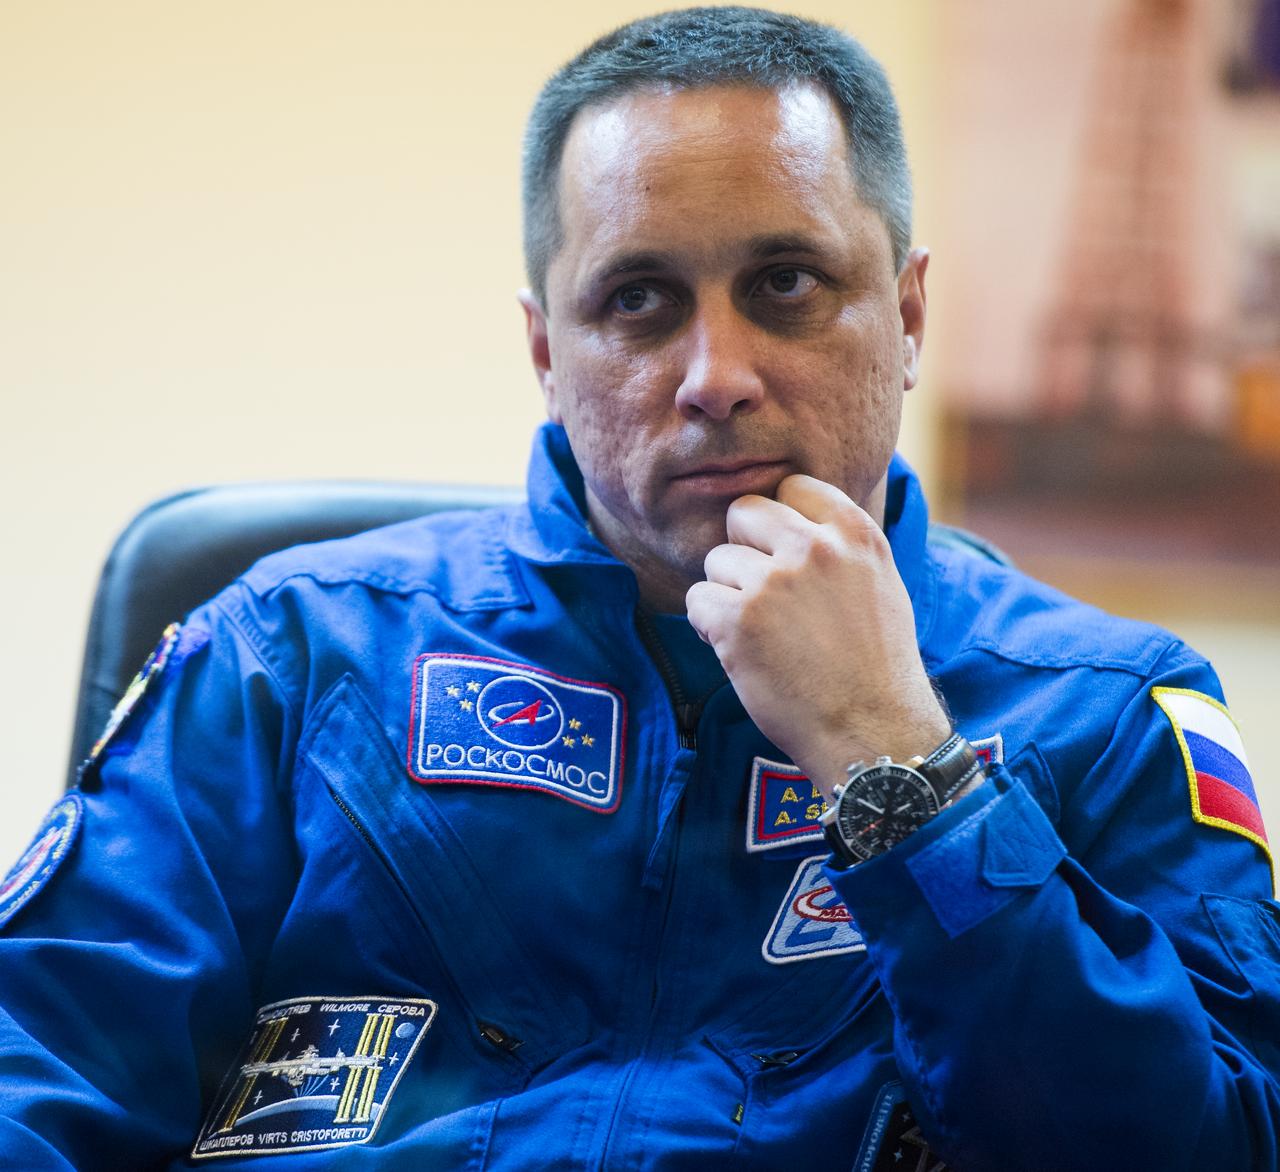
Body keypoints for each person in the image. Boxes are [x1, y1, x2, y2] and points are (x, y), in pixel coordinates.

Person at [2, 7, 1277, 1169]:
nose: (713, 372)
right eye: (639, 299)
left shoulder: (1109, 715)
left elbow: (1199, 1147)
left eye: (785, 283)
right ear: (546, 351)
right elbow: (40, 1066)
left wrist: (899, 764)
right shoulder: (286, 655)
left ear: (906, 315)